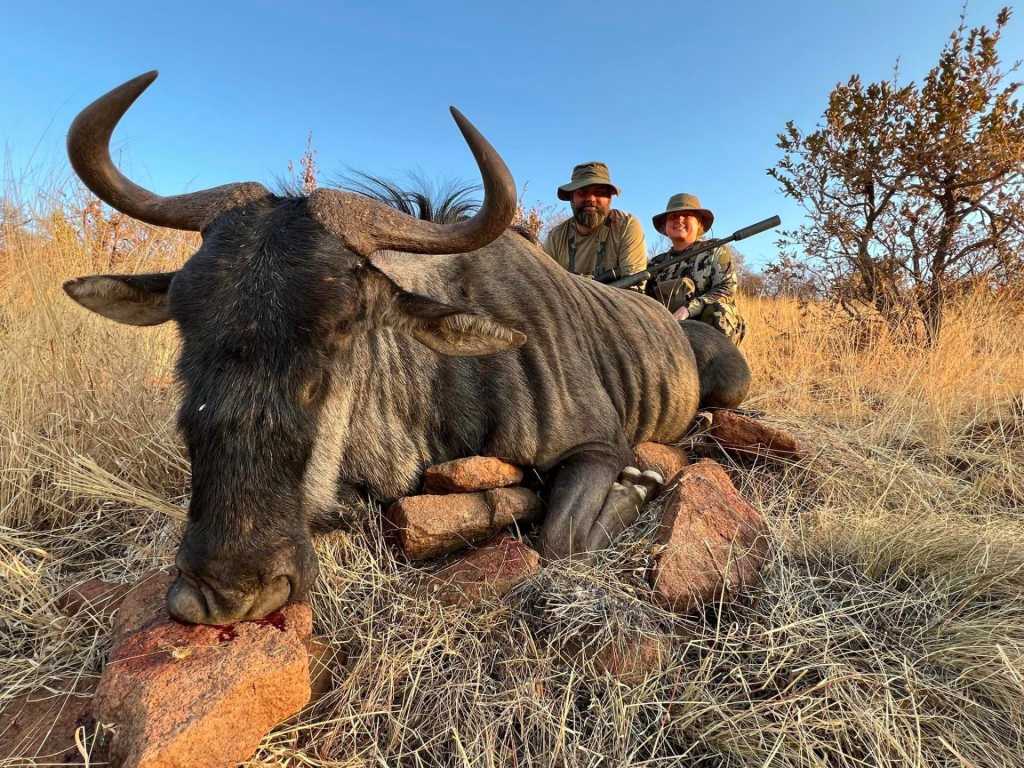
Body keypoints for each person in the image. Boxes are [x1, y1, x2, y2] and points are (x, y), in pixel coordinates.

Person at [647, 193, 746, 344]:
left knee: (718, 311)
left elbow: (726, 288)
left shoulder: (715, 250)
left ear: (699, 223)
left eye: (686, 215)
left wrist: (689, 309)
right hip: (667, 330)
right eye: (673, 216)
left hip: (706, 329)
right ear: (665, 226)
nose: (679, 219)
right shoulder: (655, 264)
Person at [543, 162, 647, 283]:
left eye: (599, 192)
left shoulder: (626, 226)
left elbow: (633, 287)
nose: (591, 199)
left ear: (610, 198)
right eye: (582, 192)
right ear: (572, 198)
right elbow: (544, 284)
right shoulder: (555, 238)